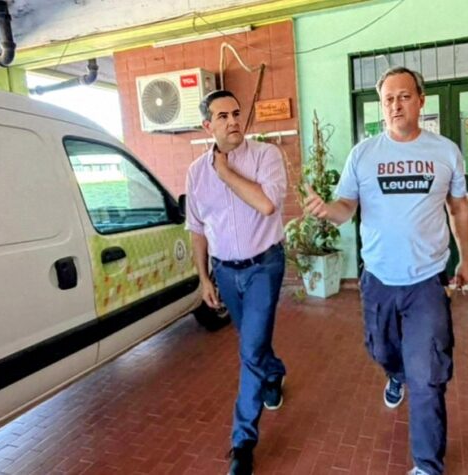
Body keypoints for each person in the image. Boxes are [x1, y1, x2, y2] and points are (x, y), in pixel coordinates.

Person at [303, 66, 468, 475]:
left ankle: (427, 465)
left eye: (404, 96)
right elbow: (346, 207)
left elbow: (458, 208)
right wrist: (328, 211)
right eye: (388, 99)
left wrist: (466, 259)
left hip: (427, 280)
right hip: (378, 278)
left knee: (428, 375)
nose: (396, 105)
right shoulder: (363, 154)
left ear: (421, 101)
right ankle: (396, 374)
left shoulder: (445, 152)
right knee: (381, 350)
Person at [185, 89, 287, 475]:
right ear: (207, 126)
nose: (232, 121)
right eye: (222, 116)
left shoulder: (266, 156)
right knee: (253, 343)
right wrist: (204, 278)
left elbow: (266, 204)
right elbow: (197, 229)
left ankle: (242, 442)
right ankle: (274, 372)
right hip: (226, 272)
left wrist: (225, 173)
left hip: (264, 266)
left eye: (236, 114)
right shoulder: (196, 173)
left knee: (250, 349)